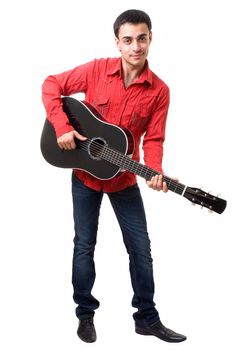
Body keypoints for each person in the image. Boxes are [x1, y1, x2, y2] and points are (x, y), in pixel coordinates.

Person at [42, 9, 186, 344]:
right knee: (84, 245)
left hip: (124, 180)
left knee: (141, 249)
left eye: (142, 38)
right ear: (117, 43)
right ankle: (85, 315)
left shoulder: (159, 91)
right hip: (85, 175)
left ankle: (147, 319)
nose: (136, 46)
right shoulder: (95, 70)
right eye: (128, 40)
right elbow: (52, 83)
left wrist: (156, 171)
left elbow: (154, 139)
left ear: (151, 39)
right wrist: (63, 127)